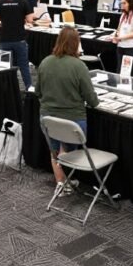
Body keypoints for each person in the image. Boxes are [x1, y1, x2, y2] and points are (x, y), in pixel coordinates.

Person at [37, 27, 100, 196]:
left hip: (47, 119)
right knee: (67, 151)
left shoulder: (45, 62)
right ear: (76, 44)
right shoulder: (80, 66)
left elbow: (38, 92)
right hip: (73, 123)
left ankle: (61, 183)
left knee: (55, 152)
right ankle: (66, 180)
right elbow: (92, 101)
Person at [0, 0, 35, 89]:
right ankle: (28, 86)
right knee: (23, 65)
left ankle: (5, 87)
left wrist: (0, 24)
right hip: (19, 39)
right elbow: (30, 19)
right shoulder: (23, 1)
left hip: (5, 39)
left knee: (5, 65)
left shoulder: (0, 2)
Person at [111, 0, 133, 76]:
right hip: (121, 46)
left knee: (128, 72)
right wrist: (115, 35)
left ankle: (127, 89)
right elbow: (119, 28)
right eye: (121, 3)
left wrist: (121, 37)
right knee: (119, 71)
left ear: (131, 3)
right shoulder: (123, 15)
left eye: (124, 3)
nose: (122, 5)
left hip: (131, 48)